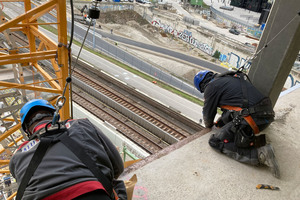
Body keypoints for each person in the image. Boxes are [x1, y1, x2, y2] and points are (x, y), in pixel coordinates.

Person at [9, 99, 127, 200]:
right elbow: (118, 167)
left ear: (28, 131)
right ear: (55, 115)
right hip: (91, 193)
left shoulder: (17, 155)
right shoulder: (82, 124)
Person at [194, 70, 280, 178]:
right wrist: (222, 122)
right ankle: (257, 141)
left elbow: (207, 116)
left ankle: (260, 154)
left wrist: (210, 125)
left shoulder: (210, 88)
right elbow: (233, 107)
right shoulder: (229, 78)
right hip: (267, 115)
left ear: (201, 86)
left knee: (215, 141)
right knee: (230, 121)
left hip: (254, 118)